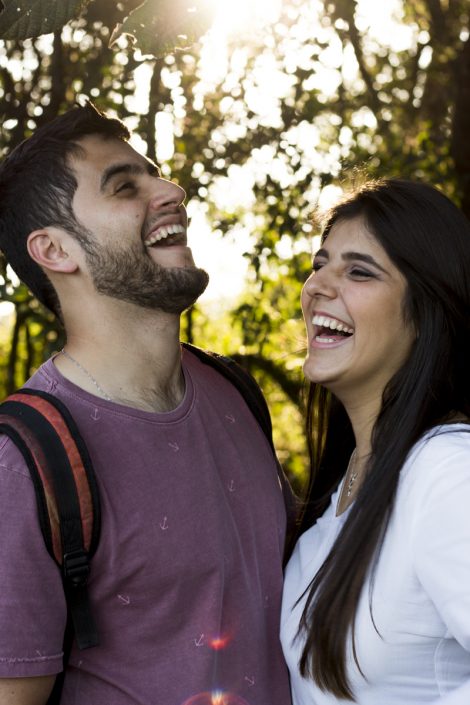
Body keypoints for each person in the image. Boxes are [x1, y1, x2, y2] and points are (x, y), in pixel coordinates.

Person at [0, 102, 293, 705]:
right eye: (125, 186)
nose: (171, 189)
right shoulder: (23, 461)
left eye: (154, 173)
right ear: (55, 250)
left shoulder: (233, 391)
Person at [281, 178, 470, 704]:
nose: (318, 284)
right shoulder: (338, 500)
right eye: (320, 263)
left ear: (426, 313)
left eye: (359, 271)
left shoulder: (447, 473)